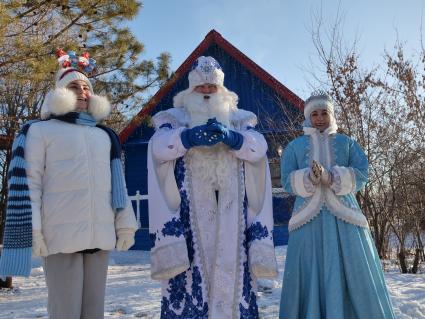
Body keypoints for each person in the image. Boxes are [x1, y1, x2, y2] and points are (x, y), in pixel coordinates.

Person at [0, 49, 138, 319]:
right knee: (65, 311)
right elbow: (31, 185)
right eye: (75, 87)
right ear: (60, 93)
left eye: (87, 87)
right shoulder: (40, 131)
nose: (83, 92)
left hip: (100, 236)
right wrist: (35, 232)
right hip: (60, 237)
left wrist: (125, 226)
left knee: (93, 311)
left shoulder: (104, 136)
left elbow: (117, 186)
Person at [148, 56, 278, 318]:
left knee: (233, 281)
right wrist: (185, 137)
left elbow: (259, 147)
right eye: (201, 87)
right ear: (190, 90)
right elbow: (158, 147)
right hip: (188, 221)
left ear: (221, 90)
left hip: (233, 219)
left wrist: (234, 139)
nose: (207, 91)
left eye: (212, 87)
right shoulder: (172, 119)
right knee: (191, 282)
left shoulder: (241, 120)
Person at [279, 91, 395, 318]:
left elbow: (362, 173)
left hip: (345, 217)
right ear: (307, 117)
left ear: (331, 115)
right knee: (309, 268)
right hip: (306, 219)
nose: (320, 118)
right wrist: (309, 178)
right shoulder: (294, 147)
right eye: (315, 114)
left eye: (324, 113)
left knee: (354, 268)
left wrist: (332, 178)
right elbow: (286, 179)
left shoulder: (347, 143)